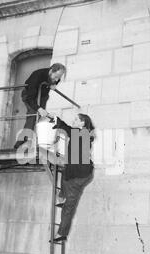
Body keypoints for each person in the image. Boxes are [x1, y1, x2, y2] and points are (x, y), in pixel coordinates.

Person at [50, 113, 95, 242]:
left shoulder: (82, 134)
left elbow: (67, 128)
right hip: (79, 173)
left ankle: (62, 234)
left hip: (80, 176)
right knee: (65, 173)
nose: (74, 121)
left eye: (76, 119)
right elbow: (67, 127)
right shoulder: (82, 134)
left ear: (82, 123)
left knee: (68, 208)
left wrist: (54, 119)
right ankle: (62, 196)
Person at [14, 63, 66, 149]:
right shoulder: (37, 75)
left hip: (42, 96)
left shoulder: (55, 77)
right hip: (30, 96)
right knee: (33, 114)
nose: (57, 79)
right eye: (56, 76)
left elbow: (56, 79)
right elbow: (30, 98)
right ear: (51, 71)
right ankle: (22, 141)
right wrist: (39, 108)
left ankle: (36, 141)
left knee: (40, 117)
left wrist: (54, 84)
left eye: (59, 77)